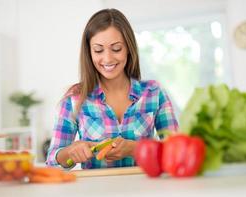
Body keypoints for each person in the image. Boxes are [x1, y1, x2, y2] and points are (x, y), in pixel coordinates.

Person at [46, 8, 178, 169]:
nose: (107, 58)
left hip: (144, 192)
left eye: (116, 48)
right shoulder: (74, 98)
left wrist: (134, 149)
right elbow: (52, 159)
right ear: (89, 52)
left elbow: (176, 152)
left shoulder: (153, 93)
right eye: (98, 50)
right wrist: (70, 151)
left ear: (128, 48)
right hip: (95, 193)